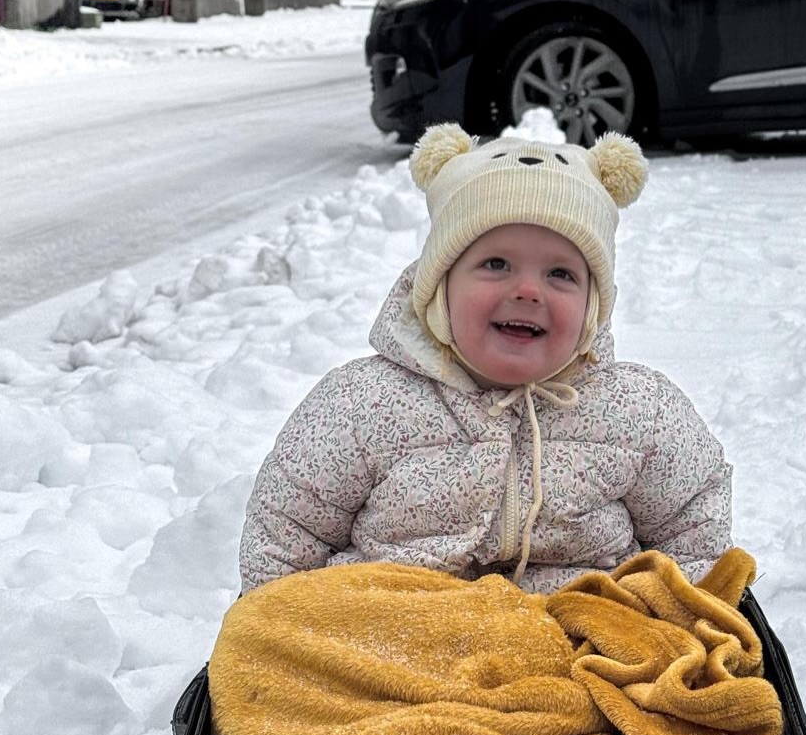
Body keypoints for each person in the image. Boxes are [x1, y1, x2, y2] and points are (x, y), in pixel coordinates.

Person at [238, 123, 734, 595]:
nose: (528, 290)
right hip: (398, 633)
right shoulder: (360, 403)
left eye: (561, 274)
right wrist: (284, 627)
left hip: (572, 633)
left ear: (591, 309)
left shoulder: (639, 410)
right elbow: (286, 534)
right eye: (496, 264)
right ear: (439, 289)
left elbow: (694, 533)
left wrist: (678, 618)